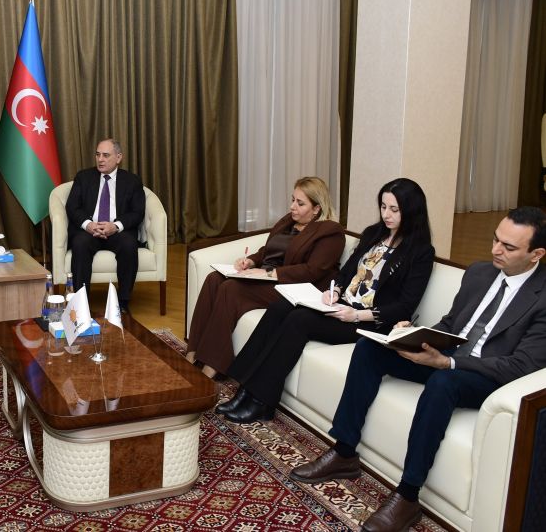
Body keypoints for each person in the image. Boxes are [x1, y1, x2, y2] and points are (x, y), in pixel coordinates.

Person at [289, 207, 546, 532]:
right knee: (370, 348)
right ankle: (344, 451)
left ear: (537, 254)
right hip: (448, 355)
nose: (496, 250)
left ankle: (408, 496)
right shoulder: (480, 273)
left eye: (508, 247)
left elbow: (521, 365)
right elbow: (451, 324)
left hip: (486, 376)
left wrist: (448, 362)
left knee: (443, 381)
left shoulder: (541, 297)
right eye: (495, 239)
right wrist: (416, 336)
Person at [219, 178, 435, 424]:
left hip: (367, 322)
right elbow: (346, 272)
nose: (386, 215)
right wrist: (335, 290)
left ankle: (262, 401)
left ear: (411, 210)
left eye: (394, 210)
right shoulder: (373, 234)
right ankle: (244, 387)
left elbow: (405, 306)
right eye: (383, 207)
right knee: (282, 305)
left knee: (299, 320)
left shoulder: (421, 253)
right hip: (341, 307)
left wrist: (355, 315)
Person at [187, 177, 345, 378]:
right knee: (214, 279)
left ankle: (212, 368)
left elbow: (312, 270)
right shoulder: (289, 221)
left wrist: (270, 273)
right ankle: (192, 354)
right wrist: (251, 261)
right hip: (266, 278)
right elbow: (269, 250)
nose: (292, 206)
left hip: (290, 286)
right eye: (293, 200)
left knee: (230, 288)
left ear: (316, 209)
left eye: (300, 203)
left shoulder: (331, 232)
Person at [65, 138, 146, 312]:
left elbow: (137, 212)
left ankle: (123, 303)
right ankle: (81, 303)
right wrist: (88, 225)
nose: (100, 159)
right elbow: (72, 207)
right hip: (89, 231)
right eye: (98, 154)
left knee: (129, 245)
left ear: (118, 157)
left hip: (117, 231)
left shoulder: (132, 181)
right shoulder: (83, 177)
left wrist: (115, 226)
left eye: (106, 155)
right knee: (80, 244)